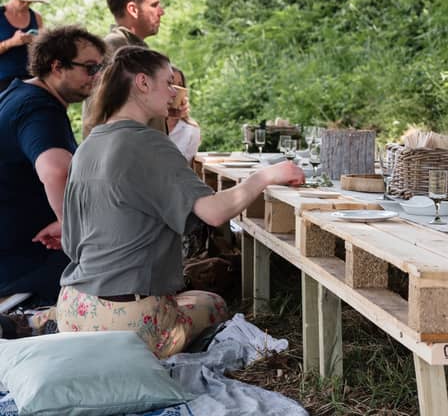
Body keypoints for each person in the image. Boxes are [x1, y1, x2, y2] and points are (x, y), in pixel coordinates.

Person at [57, 46, 305, 357]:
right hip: (127, 325)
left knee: (189, 297)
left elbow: (71, 242)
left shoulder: (89, 145)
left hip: (73, 309)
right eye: (168, 82)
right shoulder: (149, 143)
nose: (174, 93)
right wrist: (265, 176)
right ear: (143, 83)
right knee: (212, 303)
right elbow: (213, 213)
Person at [0, 25, 106, 305]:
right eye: (90, 68)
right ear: (57, 66)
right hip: (27, 265)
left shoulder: (19, 95)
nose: (96, 77)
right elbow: (57, 170)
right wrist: (71, 227)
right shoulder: (39, 108)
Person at [82, 0, 166, 138]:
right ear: (133, 9)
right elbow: (97, 113)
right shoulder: (112, 51)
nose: (161, 12)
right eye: (154, 5)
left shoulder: (133, 49)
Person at [0, 0, 48, 92]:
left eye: (30, 1)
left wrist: (36, 42)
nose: (26, 4)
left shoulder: (36, 17)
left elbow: (45, 52)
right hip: (3, 83)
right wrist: (11, 42)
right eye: (22, 0)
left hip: (30, 81)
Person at [167, 66, 201, 162]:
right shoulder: (146, 123)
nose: (176, 91)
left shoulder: (191, 130)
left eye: (180, 85)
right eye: (170, 84)